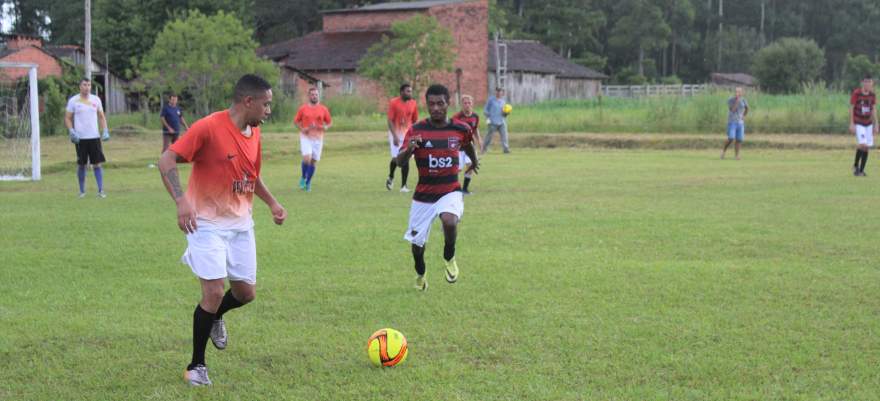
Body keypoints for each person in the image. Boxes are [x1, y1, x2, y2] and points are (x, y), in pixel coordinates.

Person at [158, 74, 288, 386]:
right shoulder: (208, 127)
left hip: (241, 224)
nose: (269, 110)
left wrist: (272, 204)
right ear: (248, 101)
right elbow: (167, 160)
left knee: (245, 294)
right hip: (205, 223)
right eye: (266, 104)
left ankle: (217, 315)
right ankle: (196, 366)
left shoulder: (254, 133)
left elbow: (251, 176)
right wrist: (180, 200)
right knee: (214, 291)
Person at [396, 84, 479, 291]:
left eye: (440, 103)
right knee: (417, 247)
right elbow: (399, 161)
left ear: (448, 103)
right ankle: (420, 275)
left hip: (450, 190)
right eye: (431, 104)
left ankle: (449, 257)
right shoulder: (417, 130)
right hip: (423, 197)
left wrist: (474, 161)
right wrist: (410, 150)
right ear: (426, 105)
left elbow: (468, 144)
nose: (436, 108)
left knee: (450, 222)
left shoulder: (460, 129)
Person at [65, 78, 111, 198]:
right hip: (80, 139)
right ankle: (82, 191)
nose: (87, 87)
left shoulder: (96, 100)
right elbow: (68, 118)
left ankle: (101, 191)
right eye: (84, 85)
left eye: (89, 85)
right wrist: (71, 131)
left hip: (94, 137)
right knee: (82, 164)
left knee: (97, 164)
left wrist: (105, 130)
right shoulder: (74, 101)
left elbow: (101, 116)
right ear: (80, 86)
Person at [294, 87, 332, 192]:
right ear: (309, 96)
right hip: (306, 137)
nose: (314, 96)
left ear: (318, 96)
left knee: (313, 162)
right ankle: (303, 177)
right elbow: (296, 121)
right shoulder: (303, 108)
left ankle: (308, 182)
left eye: (316, 94)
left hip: (318, 138)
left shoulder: (323, 109)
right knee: (307, 158)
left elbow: (329, 122)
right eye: (312, 94)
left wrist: (325, 127)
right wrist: (302, 129)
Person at [386, 83, 419, 192]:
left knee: (406, 157)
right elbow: (390, 120)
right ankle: (391, 176)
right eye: (407, 91)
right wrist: (394, 136)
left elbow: (415, 121)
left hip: (408, 135)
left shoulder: (413, 103)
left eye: (410, 91)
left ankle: (403, 186)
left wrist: (416, 134)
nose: (410, 93)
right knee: (396, 159)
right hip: (395, 134)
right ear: (401, 92)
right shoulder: (393, 102)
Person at [452, 94, 482, 194]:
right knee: (457, 169)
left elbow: (476, 129)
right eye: (465, 103)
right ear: (462, 105)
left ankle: (464, 189)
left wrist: (479, 140)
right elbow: (452, 131)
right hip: (459, 148)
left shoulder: (475, 117)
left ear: (472, 104)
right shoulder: (457, 117)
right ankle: (452, 187)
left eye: (469, 103)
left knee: (471, 165)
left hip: (470, 147)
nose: (467, 105)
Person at [850, 76, 878, 176]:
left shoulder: (872, 95)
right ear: (862, 83)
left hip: (868, 124)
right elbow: (852, 108)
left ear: (872, 83)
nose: (867, 84)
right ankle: (856, 166)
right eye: (865, 82)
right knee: (863, 144)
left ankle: (860, 170)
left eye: (869, 82)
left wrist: (876, 124)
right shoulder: (856, 93)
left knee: (866, 147)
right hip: (859, 122)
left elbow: (874, 109)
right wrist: (852, 123)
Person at [721, 87, 749, 160]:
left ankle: (736, 156)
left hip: (740, 122)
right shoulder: (730, 100)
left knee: (739, 140)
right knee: (731, 138)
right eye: (736, 92)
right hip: (732, 121)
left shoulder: (744, 100)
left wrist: (744, 115)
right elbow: (732, 110)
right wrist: (737, 100)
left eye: (739, 92)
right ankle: (723, 152)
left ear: (742, 93)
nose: (738, 93)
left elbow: (747, 108)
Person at [482, 87, 510, 154]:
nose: (499, 93)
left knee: (504, 135)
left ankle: (506, 149)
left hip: (501, 121)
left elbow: (504, 112)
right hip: (492, 121)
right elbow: (485, 110)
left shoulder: (503, 101)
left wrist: (506, 113)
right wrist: (488, 118)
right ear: (496, 92)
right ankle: (484, 148)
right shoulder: (491, 100)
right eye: (497, 91)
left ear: (502, 93)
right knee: (489, 136)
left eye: (500, 91)